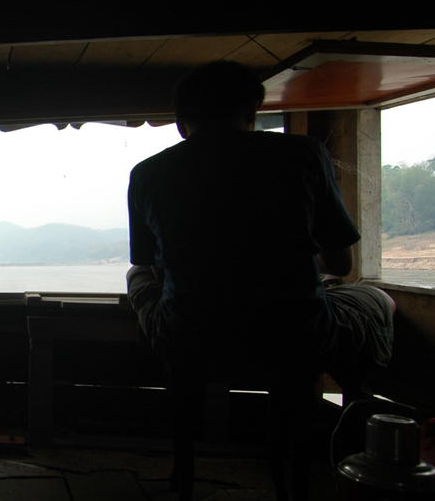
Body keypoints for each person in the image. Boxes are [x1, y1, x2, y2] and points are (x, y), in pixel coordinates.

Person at [125, 60, 394, 382]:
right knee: (375, 298)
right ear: (252, 112)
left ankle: (188, 404)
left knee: (138, 273)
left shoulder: (147, 173)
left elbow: (155, 269)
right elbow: (340, 264)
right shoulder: (304, 154)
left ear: (181, 124)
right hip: (294, 336)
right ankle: (345, 402)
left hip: (190, 338)